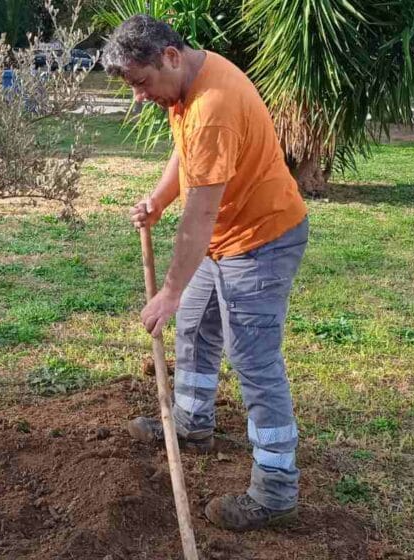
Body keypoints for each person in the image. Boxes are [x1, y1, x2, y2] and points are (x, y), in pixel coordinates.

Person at [102, 15, 309, 532]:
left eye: (142, 83)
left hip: (261, 241)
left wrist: (169, 290)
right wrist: (157, 197)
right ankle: (193, 425)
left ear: (170, 56)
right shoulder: (190, 85)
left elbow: (200, 215)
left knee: (253, 359)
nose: (140, 97)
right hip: (223, 242)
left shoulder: (214, 104)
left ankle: (277, 489)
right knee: (195, 329)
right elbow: (186, 152)